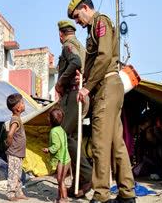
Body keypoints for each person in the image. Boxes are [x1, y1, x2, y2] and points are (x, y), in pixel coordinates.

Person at [68, 0, 136, 203]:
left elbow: (105, 56)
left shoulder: (101, 22)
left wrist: (87, 87)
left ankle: (101, 195)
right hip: (107, 85)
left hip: (106, 85)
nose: (78, 23)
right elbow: (99, 58)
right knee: (117, 144)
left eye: (78, 17)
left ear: (86, 8)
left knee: (99, 143)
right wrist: (86, 75)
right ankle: (126, 194)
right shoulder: (93, 28)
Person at [55, 20, 92, 197]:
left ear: (61, 34)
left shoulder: (68, 46)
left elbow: (75, 62)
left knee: (62, 135)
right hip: (81, 95)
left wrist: (60, 82)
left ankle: (87, 176)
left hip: (73, 95)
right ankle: (79, 183)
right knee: (73, 141)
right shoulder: (80, 46)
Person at [42, 108, 71, 203]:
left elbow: (57, 145)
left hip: (62, 159)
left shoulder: (53, 131)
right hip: (65, 158)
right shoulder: (61, 129)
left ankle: (64, 198)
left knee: (60, 179)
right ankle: (60, 197)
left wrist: (48, 150)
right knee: (60, 179)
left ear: (51, 120)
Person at [5, 93, 28, 202]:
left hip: (19, 153)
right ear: (18, 108)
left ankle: (18, 192)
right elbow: (10, 134)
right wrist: (9, 143)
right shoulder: (15, 120)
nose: (24, 105)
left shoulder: (18, 118)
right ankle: (10, 194)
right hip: (14, 153)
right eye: (22, 103)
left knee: (18, 174)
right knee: (13, 174)